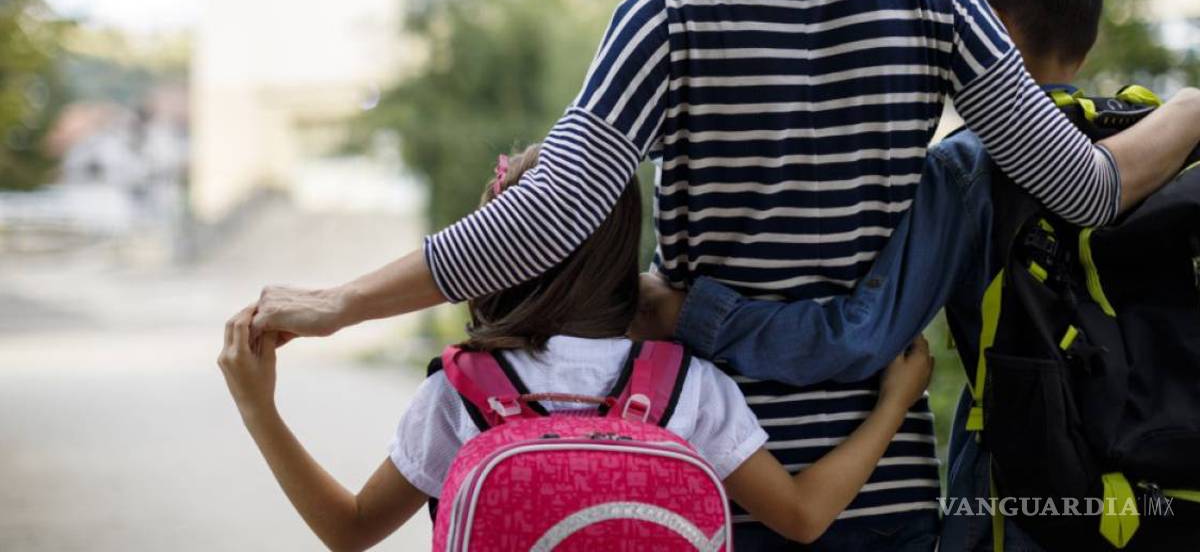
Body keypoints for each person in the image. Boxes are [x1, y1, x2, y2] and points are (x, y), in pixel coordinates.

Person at [247, 0, 1200, 548]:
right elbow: (1087, 186)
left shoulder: (672, 8)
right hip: (887, 481)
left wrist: (339, 303)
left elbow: (543, 218)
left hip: (710, 478)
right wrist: (1192, 108)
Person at [632, 0, 1146, 550]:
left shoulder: (967, 171)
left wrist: (689, 313)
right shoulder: (1142, 145)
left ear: (991, 30)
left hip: (1016, 502)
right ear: (1085, 45)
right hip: (1146, 490)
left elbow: (858, 334)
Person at [219, 144, 936, 550]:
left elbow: (348, 533)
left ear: (494, 251)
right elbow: (804, 516)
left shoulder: (462, 391)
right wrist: (893, 404)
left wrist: (259, 408)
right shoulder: (686, 385)